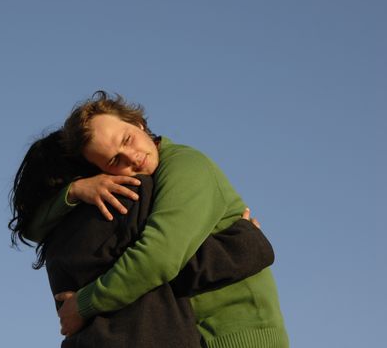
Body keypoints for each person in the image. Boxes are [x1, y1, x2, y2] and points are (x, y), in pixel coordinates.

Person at [26, 91, 289, 347]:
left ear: (138, 123)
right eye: (115, 159)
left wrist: (84, 305)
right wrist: (74, 192)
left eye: (127, 139)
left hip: (239, 335)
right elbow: (33, 230)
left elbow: (159, 257)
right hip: (201, 333)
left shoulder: (187, 165)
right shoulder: (136, 190)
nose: (133, 157)